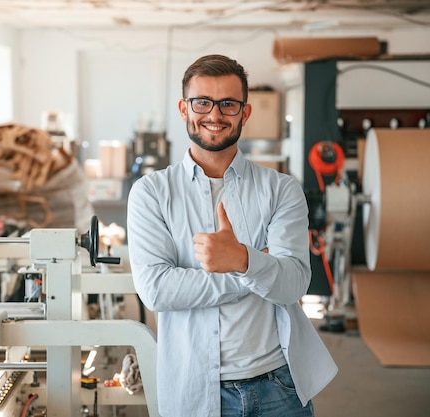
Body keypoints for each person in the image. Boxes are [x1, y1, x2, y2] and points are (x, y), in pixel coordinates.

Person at [127, 54, 337, 417]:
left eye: (228, 104)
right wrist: (253, 267)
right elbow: (157, 291)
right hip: (193, 388)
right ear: (184, 108)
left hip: (278, 387)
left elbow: (292, 285)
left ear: (245, 112)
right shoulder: (151, 193)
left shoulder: (281, 190)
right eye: (202, 102)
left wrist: (240, 259)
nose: (214, 114)